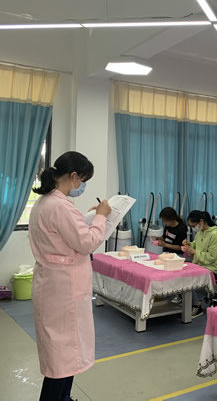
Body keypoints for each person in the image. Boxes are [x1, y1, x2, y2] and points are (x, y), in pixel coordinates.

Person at [28, 151, 112, 400]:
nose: (82, 186)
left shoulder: (45, 203)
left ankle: (63, 397)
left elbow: (63, 236)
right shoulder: (61, 206)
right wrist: (101, 217)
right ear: (74, 176)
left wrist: (89, 218)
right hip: (64, 290)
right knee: (63, 356)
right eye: (83, 180)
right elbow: (86, 243)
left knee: (62, 355)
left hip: (52, 284)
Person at [182, 211, 217, 318]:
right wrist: (189, 244)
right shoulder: (200, 233)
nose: (193, 228)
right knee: (180, 272)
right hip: (199, 264)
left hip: (211, 267)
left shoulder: (215, 235)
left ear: (201, 221)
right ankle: (186, 298)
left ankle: (197, 305)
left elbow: (212, 257)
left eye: (193, 226)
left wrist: (195, 252)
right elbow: (195, 245)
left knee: (188, 277)